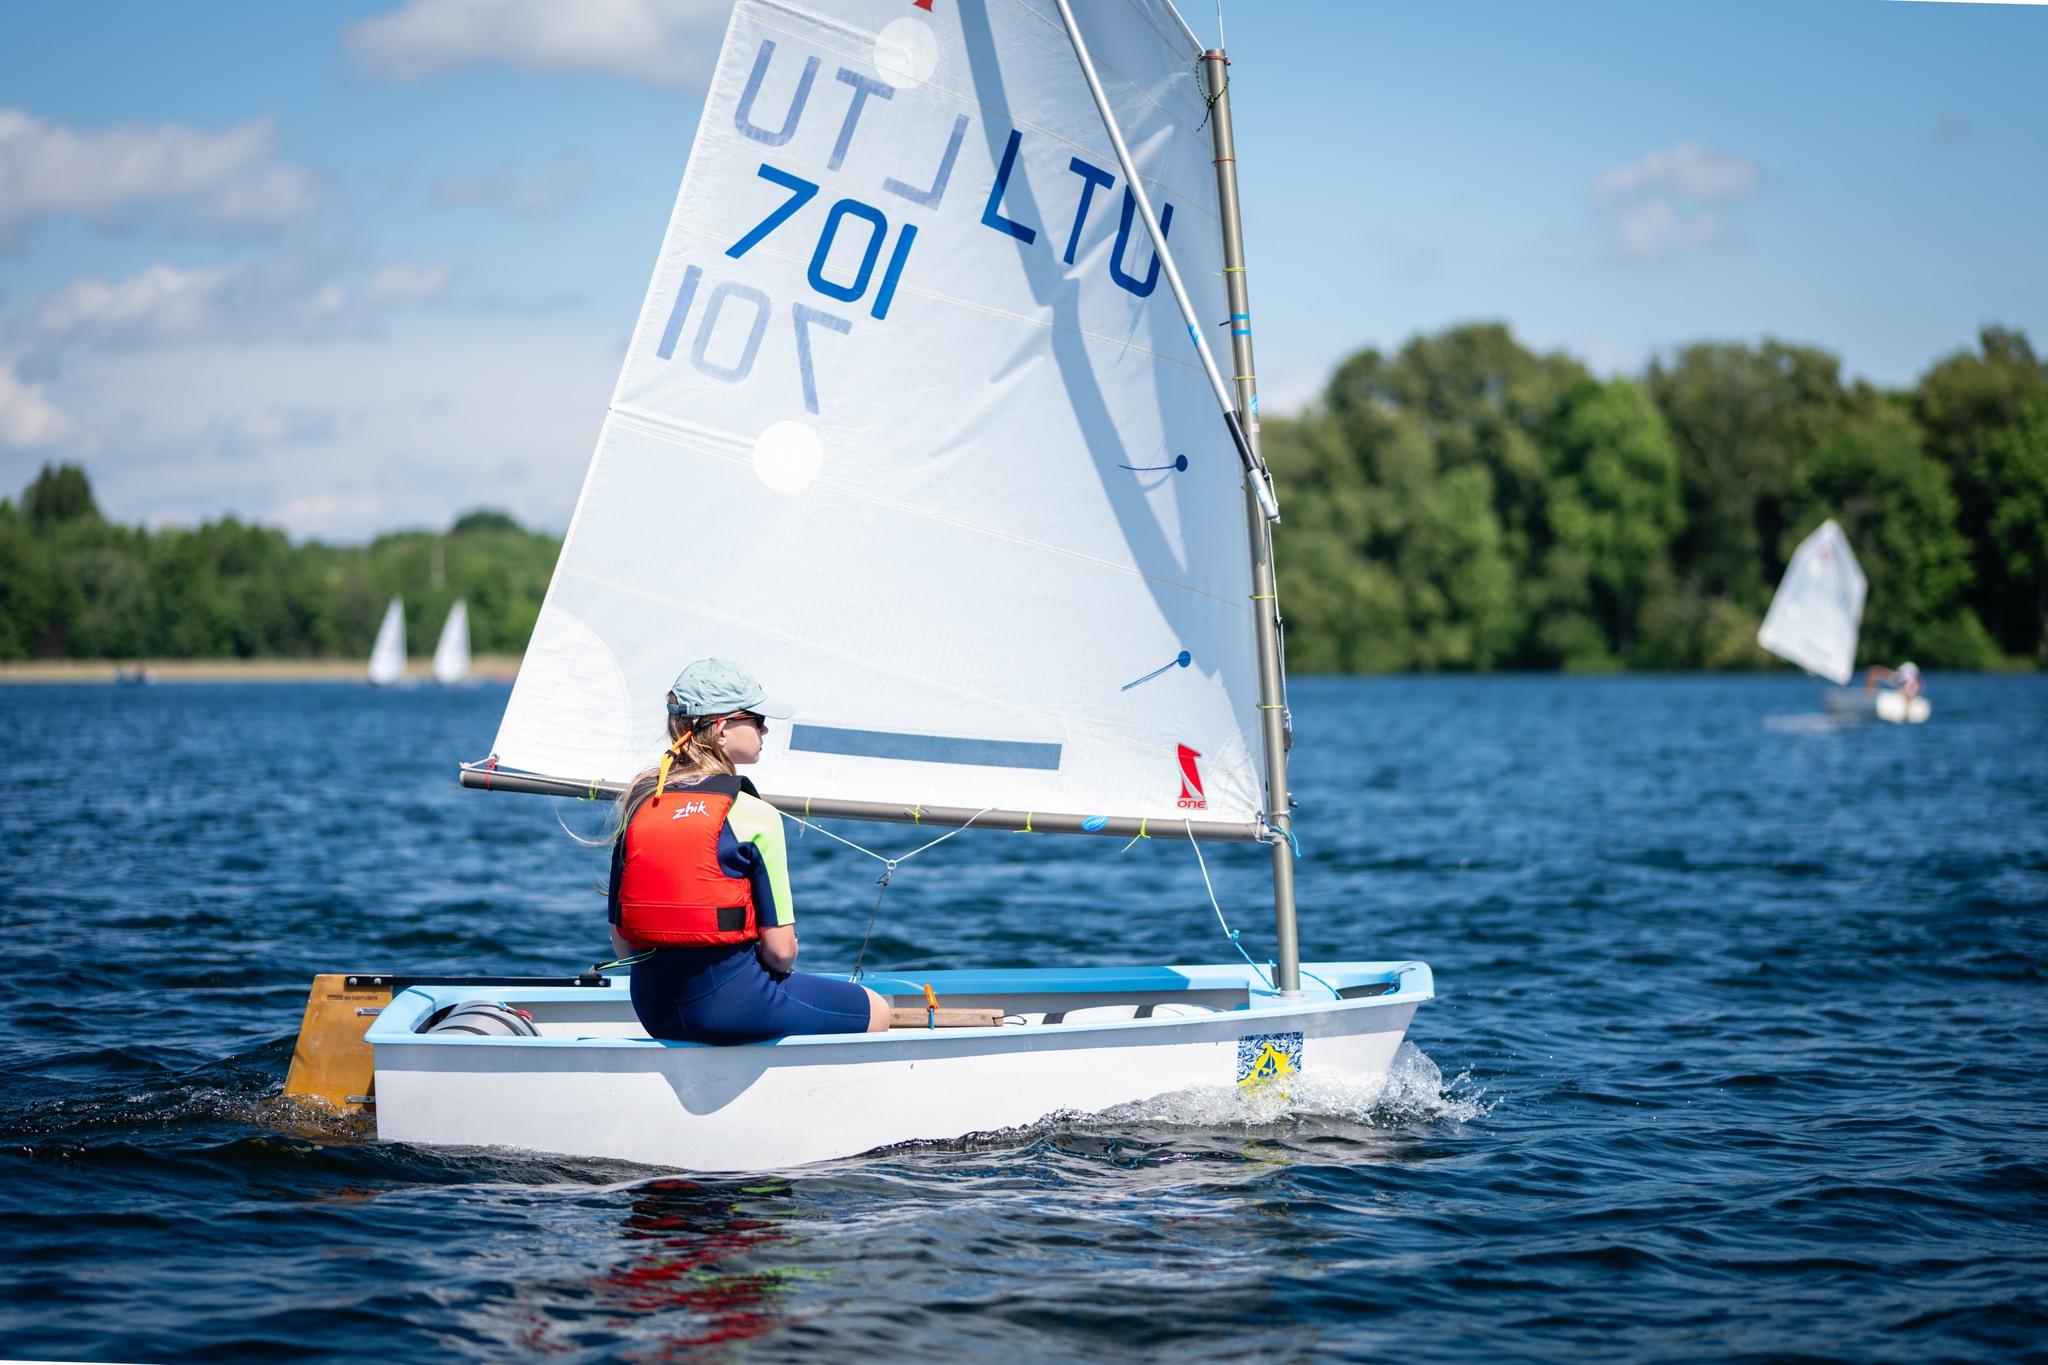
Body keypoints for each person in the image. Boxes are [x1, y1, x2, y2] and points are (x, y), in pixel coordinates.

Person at [607, 658, 892, 1043]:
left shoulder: (641, 805)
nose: (764, 728)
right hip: (733, 1006)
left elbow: (623, 946)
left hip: (654, 1009)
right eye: (756, 719)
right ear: (722, 729)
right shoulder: (756, 814)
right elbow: (780, 954)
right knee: (877, 1009)